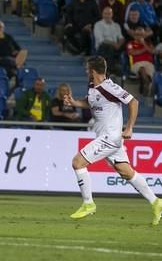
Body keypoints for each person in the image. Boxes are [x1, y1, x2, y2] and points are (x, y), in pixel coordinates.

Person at [64, 56, 162, 224]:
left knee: (77, 162)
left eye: (88, 69)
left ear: (93, 71)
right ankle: (156, 202)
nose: (87, 72)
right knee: (126, 172)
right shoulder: (93, 86)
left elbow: (133, 102)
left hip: (111, 137)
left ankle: (88, 204)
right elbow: (91, 102)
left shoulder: (109, 87)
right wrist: (75, 103)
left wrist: (129, 127)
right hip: (107, 138)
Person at [126, 25, 156, 95]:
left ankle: (145, 84)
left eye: (141, 34)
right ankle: (146, 81)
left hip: (149, 63)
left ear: (144, 35)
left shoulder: (148, 43)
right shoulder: (130, 43)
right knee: (142, 69)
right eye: (138, 34)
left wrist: (144, 44)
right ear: (135, 35)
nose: (139, 36)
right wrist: (145, 49)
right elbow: (132, 52)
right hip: (136, 64)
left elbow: (152, 51)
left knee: (148, 72)